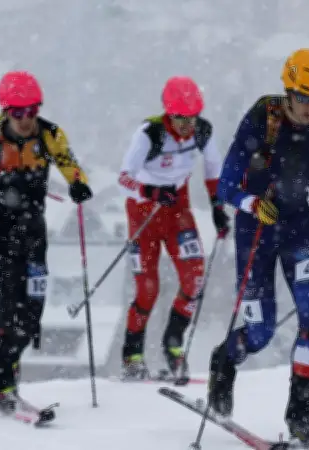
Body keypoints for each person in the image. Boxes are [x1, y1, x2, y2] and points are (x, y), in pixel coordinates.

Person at [206, 48, 309, 446]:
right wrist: (252, 202)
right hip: (253, 228)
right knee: (260, 332)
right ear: (288, 91)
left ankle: (301, 415)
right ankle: (225, 361)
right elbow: (225, 186)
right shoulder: (262, 118)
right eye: (305, 98)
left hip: (297, 225)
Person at [0, 70, 93, 411]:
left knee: (30, 319)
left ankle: (11, 364)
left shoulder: (50, 134)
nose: (27, 119)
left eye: (32, 110)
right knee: (6, 313)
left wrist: (77, 183)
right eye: (18, 112)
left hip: (33, 238)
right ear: (5, 111)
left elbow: (69, 164)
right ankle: (4, 384)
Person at [117, 76, 230, 381]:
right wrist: (150, 192)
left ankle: (173, 346)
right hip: (145, 211)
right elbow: (124, 178)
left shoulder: (203, 132)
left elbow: (213, 170)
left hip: (178, 208)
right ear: (169, 114)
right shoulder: (149, 133)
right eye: (180, 118)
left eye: (191, 117)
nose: (186, 125)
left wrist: (218, 208)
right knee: (147, 288)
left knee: (194, 277)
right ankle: (132, 355)